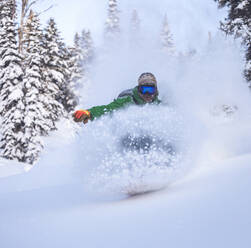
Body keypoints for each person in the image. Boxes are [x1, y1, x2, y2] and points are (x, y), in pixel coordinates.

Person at [73, 72, 161, 124]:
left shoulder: (159, 105)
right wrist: (89, 113)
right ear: (139, 89)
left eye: (150, 90)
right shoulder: (128, 100)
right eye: (144, 89)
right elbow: (108, 109)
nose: (147, 94)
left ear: (155, 90)